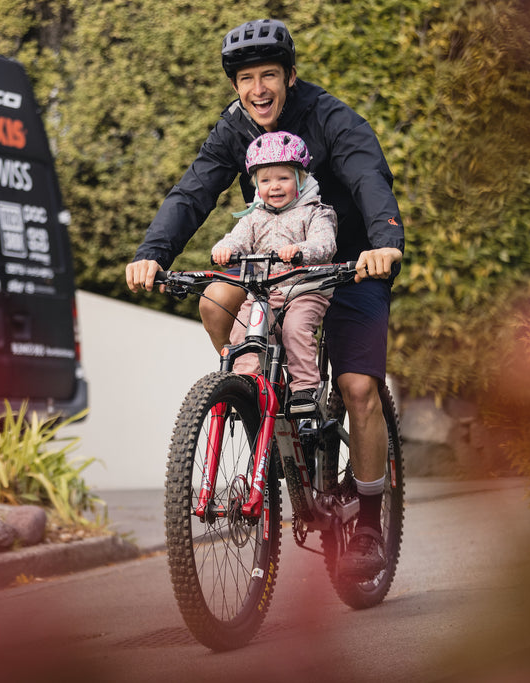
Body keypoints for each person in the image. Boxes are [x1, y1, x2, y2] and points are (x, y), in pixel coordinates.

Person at [125, 18, 405, 580]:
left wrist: (384, 243)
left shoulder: (330, 118)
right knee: (213, 302)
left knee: (357, 387)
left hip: (348, 260)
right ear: (236, 87)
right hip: (270, 265)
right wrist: (153, 251)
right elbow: (193, 192)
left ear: (290, 77)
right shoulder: (234, 129)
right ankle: (258, 401)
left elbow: (369, 177)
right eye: (247, 79)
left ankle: (370, 521)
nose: (258, 89)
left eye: (269, 75)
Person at [211, 131, 336, 415]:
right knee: (243, 327)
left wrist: (301, 250)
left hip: (305, 292)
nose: (274, 187)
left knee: (295, 329)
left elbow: (325, 243)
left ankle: (304, 388)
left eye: (283, 178)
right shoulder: (254, 216)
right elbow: (236, 239)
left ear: (300, 179)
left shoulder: (316, 212)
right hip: (266, 293)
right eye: (265, 180)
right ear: (256, 184)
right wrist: (224, 249)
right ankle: (244, 384)